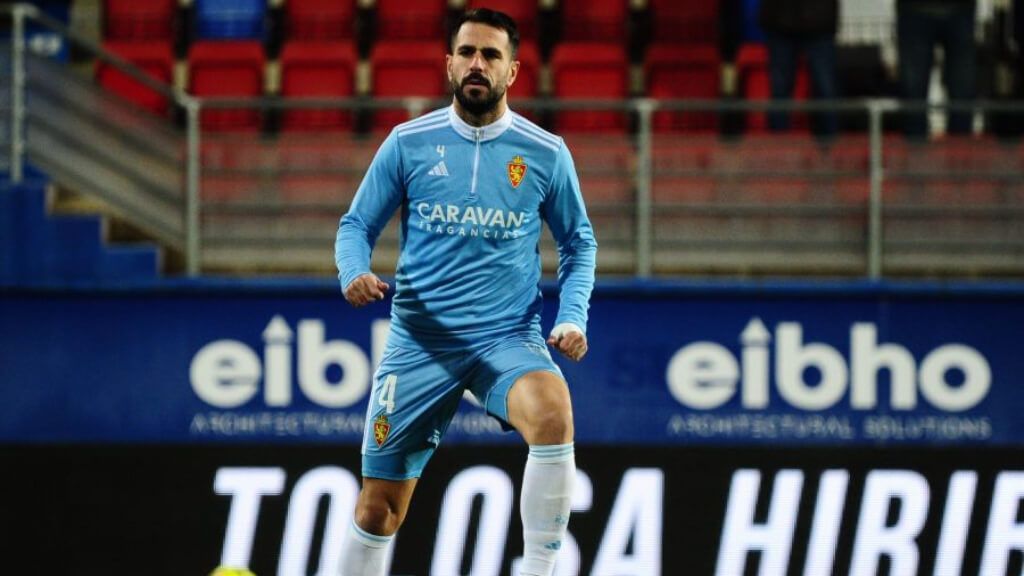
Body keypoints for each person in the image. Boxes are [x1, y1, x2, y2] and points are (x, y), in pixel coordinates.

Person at [334, 8, 597, 576]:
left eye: (491, 55)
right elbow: (355, 225)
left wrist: (572, 315)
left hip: (506, 338)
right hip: (420, 342)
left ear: (513, 71)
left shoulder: (546, 152)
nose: (478, 64)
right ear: (449, 63)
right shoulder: (408, 142)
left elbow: (579, 242)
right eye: (468, 53)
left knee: (553, 415)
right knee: (380, 509)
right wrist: (352, 270)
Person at [758, 0, 840, 138]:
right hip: (780, 22)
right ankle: (777, 148)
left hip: (819, 22)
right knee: (780, 90)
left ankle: (829, 148)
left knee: (825, 89)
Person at [897, 0, 977, 139]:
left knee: (961, 91)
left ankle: (961, 152)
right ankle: (960, 152)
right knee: (914, 93)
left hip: (953, 10)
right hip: (917, 10)